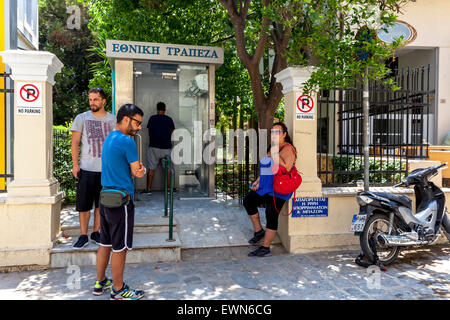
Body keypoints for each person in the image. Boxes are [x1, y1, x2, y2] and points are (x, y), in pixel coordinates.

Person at [94, 104, 146, 300]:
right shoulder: (127, 141)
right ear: (126, 119)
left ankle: (100, 283)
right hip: (121, 202)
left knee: (105, 243)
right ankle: (118, 289)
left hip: (105, 199)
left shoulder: (109, 138)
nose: (139, 127)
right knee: (120, 247)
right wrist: (140, 170)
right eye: (137, 122)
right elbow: (136, 171)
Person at [70, 87, 116, 249]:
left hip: (106, 171)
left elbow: (116, 144)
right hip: (86, 169)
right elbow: (75, 143)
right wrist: (75, 165)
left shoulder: (113, 120)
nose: (92, 102)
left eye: (95, 99)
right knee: (83, 205)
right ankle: (83, 235)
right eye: (90, 99)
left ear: (103, 101)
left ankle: (96, 232)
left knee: (100, 205)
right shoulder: (81, 118)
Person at [243, 122, 296, 257]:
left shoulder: (288, 149)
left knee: (271, 214)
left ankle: (265, 248)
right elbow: (267, 168)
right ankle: (259, 231)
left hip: (279, 189)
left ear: (284, 134)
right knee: (248, 200)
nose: (274, 135)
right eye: (272, 132)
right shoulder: (273, 147)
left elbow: (286, 168)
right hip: (266, 186)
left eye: (277, 132)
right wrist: (258, 180)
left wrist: (274, 154)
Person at [141, 101, 175, 195]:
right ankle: (168, 189)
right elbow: (172, 132)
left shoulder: (152, 118)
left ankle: (148, 189)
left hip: (154, 147)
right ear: (165, 109)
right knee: (168, 169)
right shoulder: (169, 119)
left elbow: (149, 132)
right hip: (166, 148)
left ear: (157, 109)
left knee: (151, 169)